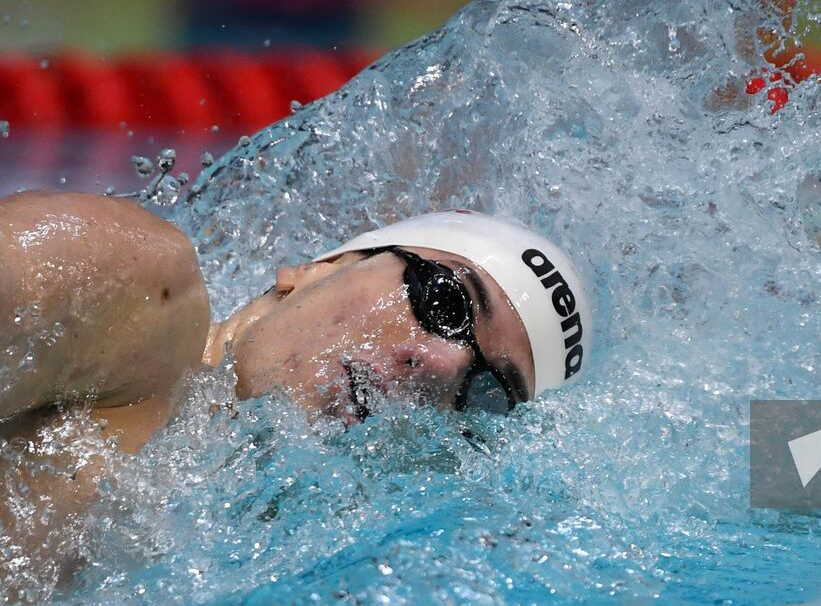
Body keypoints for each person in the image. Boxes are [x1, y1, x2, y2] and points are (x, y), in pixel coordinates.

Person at [0, 189, 592, 586]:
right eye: (443, 300)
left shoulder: (255, 563)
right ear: (318, 268)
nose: (441, 364)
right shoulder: (143, 299)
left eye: (487, 392)